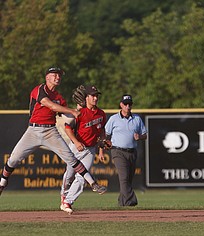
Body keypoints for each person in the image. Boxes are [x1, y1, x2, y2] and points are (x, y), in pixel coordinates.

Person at [0, 67, 107, 197]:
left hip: (50, 131)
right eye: (54, 75)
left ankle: (93, 184)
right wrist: (71, 110)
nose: (58, 77)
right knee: (13, 159)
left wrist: (79, 109)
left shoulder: (59, 98)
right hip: (33, 130)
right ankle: (2, 183)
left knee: (71, 158)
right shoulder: (40, 89)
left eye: (59, 75)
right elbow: (49, 105)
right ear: (47, 77)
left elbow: (67, 118)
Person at [60, 85, 111, 214]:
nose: (95, 98)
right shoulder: (80, 113)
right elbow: (67, 128)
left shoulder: (101, 114)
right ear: (86, 97)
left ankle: (68, 202)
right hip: (77, 147)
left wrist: (102, 143)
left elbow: (102, 131)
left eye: (97, 95)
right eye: (93, 95)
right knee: (69, 175)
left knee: (82, 177)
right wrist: (76, 142)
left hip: (90, 149)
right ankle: (63, 196)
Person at [102, 94, 147, 206]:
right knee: (124, 177)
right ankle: (132, 200)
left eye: (130, 104)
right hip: (118, 151)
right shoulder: (113, 119)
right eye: (125, 104)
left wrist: (139, 137)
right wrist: (101, 150)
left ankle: (122, 203)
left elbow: (145, 135)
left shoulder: (136, 119)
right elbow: (105, 136)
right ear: (121, 105)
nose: (128, 106)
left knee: (128, 179)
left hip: (132, 152)